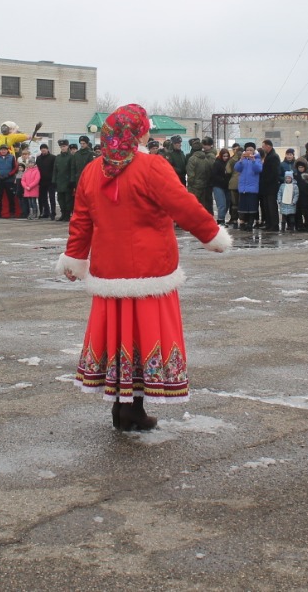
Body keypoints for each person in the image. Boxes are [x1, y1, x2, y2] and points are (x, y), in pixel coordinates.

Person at [57, 103, 230, 431]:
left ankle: (122, 408)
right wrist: (212, 235)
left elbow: (81, 220)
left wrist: (75, 258)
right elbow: (183, 204)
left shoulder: (93, 169)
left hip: (110, 270)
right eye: (145, 128)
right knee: (144, 335)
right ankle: (133, 410)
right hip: (150, 269)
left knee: (119, 336)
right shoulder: (151, 166)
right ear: (138, 133)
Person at [233, 142, 262, 231]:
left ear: (254, 151)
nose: (249, 151)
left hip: (252, 188)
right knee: (243, 207)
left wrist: (253, 161)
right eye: (247, 150)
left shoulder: (257, 159)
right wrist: (241, 160)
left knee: (252, 207)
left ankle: (250, 223)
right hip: (243, 187)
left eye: (251, 150)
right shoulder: (243, 160)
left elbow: (259, 169)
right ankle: (244, 222)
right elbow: (237, 168)